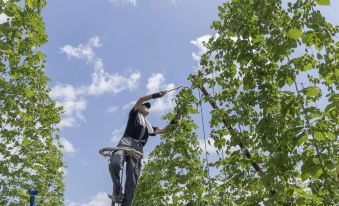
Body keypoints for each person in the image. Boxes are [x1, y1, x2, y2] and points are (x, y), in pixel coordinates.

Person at [108, 90, 178, 206]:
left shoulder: (148, 126)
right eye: (145, 106)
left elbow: (165, 130)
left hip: (137, 149)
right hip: (126, 143)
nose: (147, 107)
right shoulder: (134, 115)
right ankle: (117, 190)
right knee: (114, 163)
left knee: (132, 180)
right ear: (139, 107)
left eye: (148, 107)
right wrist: (155, 95)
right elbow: (141, 99)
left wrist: (177, 117)